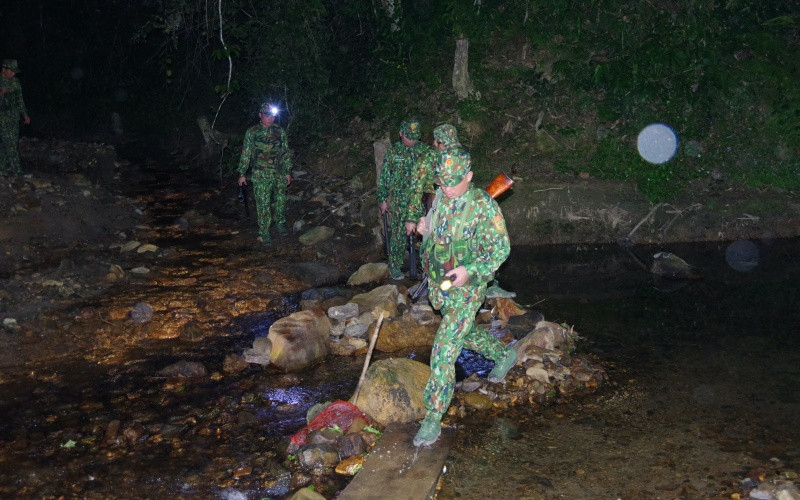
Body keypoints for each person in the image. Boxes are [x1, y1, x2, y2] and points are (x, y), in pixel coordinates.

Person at [413, 148, 518, 447]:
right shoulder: (443, 194)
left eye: (453, 182)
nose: (446, 188)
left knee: (444, 349)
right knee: (464, 333)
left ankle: (433, 416)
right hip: (440, 286)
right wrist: (425, 229)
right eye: (442, 181)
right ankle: (503, 354)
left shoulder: (484, 206)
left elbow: (500, 250)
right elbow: (438, 231)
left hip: (467, 289)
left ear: (469, 176)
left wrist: (470, 270)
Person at [377, 119, 431, 279]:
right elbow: (385, 177)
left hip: (421, 201)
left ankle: (427, 267)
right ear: (400, 134)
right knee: (398, 235)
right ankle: (395, 266)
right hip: (400, 202)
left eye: (415, 137)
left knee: (425, 235)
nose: (412, 140)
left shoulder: (426, 150)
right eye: (409, 136)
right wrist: (383, 198)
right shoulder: (394, 151)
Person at [237, 103, 292, 246]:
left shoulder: (279, 131)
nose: (270, 118)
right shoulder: (252, 132)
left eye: (273, 115)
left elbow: (285, 152)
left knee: (280, 199)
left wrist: (287, 171)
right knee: (263, 203)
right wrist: (242, 173)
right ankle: (264, 232)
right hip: (260, 173)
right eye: (267, 115)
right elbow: (246, 153)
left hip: (278, 173)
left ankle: (280, 223)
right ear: (260, 115)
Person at [413, 123, 462, 213]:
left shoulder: (459, 156)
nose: (450, 149)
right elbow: (416, 188)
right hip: (434, 202)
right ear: (436, 143)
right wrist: (411, 217)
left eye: (453, 145)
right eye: (445, 145)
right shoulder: (427, 159)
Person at [0, 59, 31, 176]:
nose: (13, 74)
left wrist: (25, 114)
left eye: (14, 72)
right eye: (11, 71)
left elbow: (19, 99)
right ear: (4, 69)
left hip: (14, 116)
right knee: (10, 143)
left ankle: (2, 167)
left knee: (8, 142)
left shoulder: (15, 82)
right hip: (2, 117)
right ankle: (17, 171)